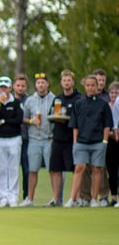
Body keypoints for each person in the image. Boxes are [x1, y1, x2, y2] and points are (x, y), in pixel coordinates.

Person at [64, 75, 113, 208]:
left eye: (93, 85)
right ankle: (73, 199)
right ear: (84, 86)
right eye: (88, 85)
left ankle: (93, 199)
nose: (90, 88)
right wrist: (75, 142)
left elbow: (107, 125)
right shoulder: (78, 103)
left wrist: (104, 141)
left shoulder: (103, 105)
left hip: (98, 142)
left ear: (97, 86)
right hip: (81, 142)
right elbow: (75, 125)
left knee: (97, 170)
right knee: (79, 168)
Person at [20, 72, 55, 207]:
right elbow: (23, 119)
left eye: (43, 82)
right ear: (35, 85)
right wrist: (30, 121)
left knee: (52, 170)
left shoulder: (54, 99)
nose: (40, 85)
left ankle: (55, 198)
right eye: (38, 83)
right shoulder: (30, 100)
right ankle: (30, 199)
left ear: (47, 84)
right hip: (34, 140)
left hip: (49, 139)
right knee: (32, 170)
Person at [49, 70, 81, 206]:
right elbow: (50, 116)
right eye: (64, 80)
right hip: (58, 138)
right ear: (61, 82)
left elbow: (80, 119)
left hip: (72, 140)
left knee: (75, 170)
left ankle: (76, 199)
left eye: (69, 80)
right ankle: (56, 199)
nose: (66, 83)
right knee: (55, 169)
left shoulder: (79, 99)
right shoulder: (57, 99)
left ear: (73, 82)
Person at [0, 76, 24, 207]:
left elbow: (18, 119)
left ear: (10, 88)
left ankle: (13, 196)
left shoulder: (16, 103)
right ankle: (3, 197)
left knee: (13, 169)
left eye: (5, 87)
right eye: (1, 87)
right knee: (2, 169)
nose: (3, 90)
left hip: (14, 138)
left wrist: (4, 121)